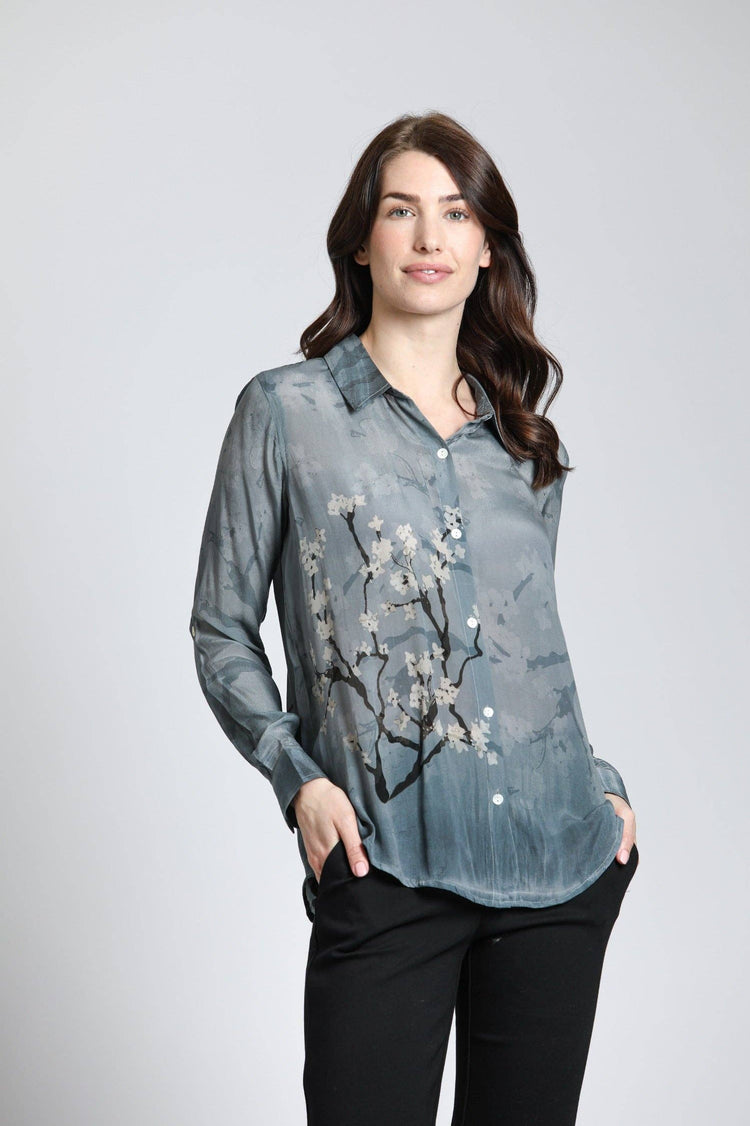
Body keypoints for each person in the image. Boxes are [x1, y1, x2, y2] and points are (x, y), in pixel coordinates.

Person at [189, 111, 639, 1126]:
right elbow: (221, 628)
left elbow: (523, 656)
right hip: (385, 859)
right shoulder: (287, 412)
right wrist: (298, 780)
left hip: (556, 867)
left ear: (487, 249)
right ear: (362, 240)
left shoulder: (524, 444)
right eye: (402, 211)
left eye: (457, 213)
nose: (430, 237)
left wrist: (602, 785)